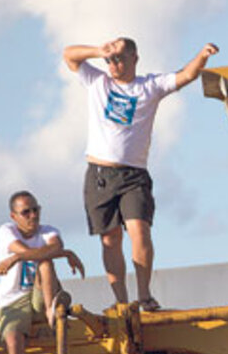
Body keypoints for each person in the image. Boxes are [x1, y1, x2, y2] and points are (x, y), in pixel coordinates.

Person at [62, 37, 219, 310]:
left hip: (133, 174)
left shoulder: (149, 86)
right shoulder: (98, 81)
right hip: (100, 173)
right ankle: (121, 301)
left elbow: (186, 75)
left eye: (120, 58)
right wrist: (99, 51)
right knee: (110, 239)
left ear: (135, 58)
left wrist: (203, 55)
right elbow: (69, 55)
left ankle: (144, 295)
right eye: (110, 59)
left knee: (140, 231)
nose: (114, 64)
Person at [0, 191, 85, 354]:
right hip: (13, 302)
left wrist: (16, 259)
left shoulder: (48, 230)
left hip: (39, 296)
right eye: (26, 212)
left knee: (46, 263)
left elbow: (51, 248)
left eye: (36, 209)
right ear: (14, 216)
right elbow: (31, 250)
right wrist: (63, 253)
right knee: (14, 343)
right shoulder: (6, 231)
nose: (33, 215)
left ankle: (51, 310)